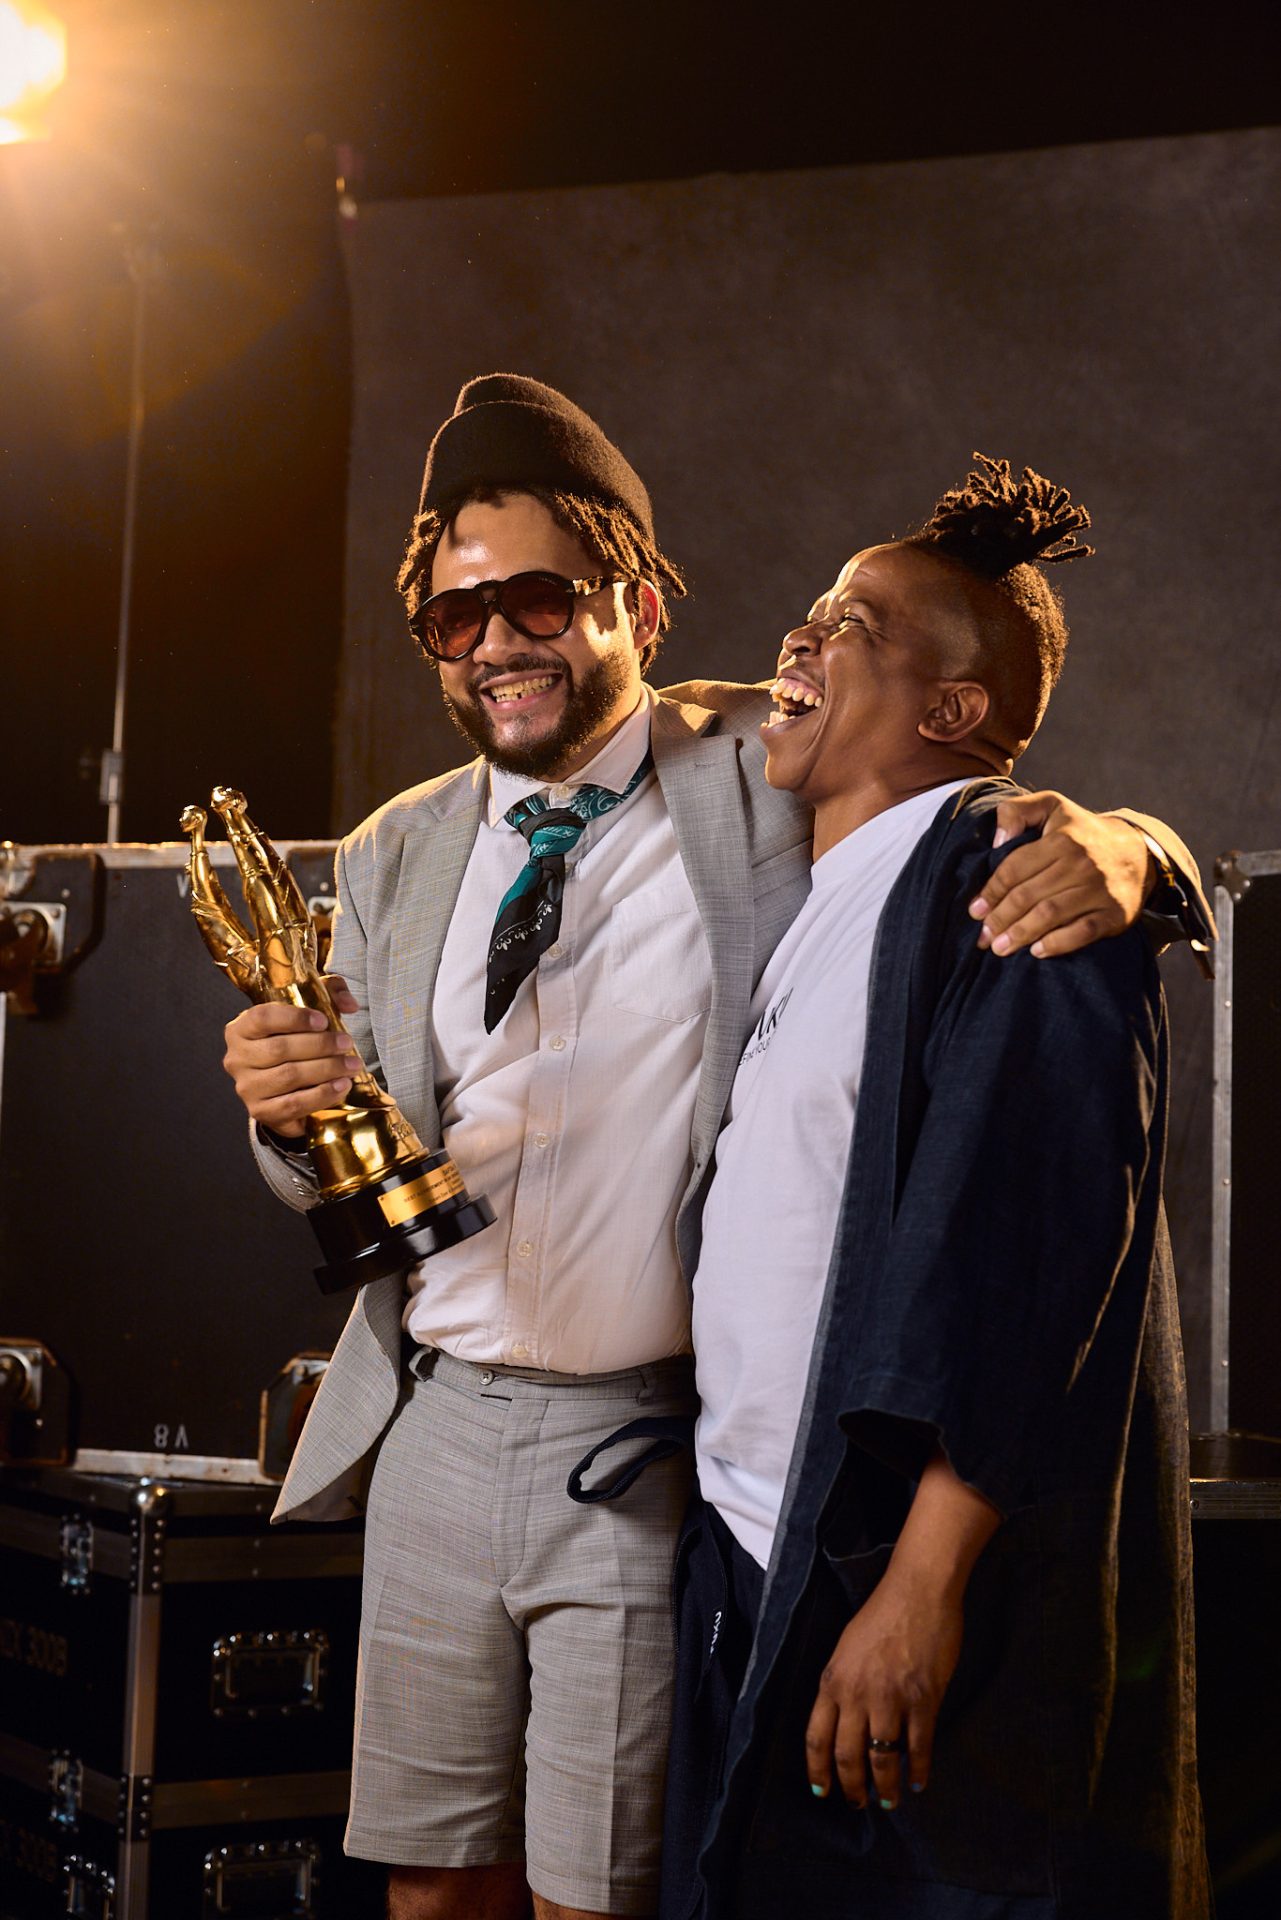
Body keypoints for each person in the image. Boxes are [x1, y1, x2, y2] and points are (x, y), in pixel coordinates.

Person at [220, 380, 1210, 1920]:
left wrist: (1135, 850)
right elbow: (341, 1159)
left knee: (607, 1891)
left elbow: (984, 789)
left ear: (636, 604)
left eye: (536, 599)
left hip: (652, 1447)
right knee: (431, 1884)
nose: (494, 643)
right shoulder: (391, 851)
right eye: (454, 616)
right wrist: (289, 1115)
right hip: (446, 1421)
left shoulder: (756, 767)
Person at [662, 456, 1210, 1919]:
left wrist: (919, 1587)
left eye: (849, 622)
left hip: (886, 1585)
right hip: (757, 1561)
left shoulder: (1016, 884)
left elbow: (1031, 1270)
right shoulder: (822, 899)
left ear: (952, 713)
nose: (797, 634)